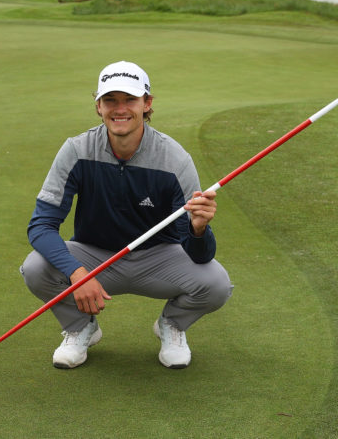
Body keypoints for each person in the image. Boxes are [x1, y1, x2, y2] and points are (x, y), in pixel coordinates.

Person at [20, 61, 232, 370]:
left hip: (158, 258)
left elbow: (200, 255)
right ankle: (81, 327)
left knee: (216, 284)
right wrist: (79, 273)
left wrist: (199, 231)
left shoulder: (175, 159)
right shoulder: (77, 151)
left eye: (130, 100)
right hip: (95, 256)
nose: (120, 109)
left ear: (147, 104)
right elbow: (41, 226)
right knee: (36, 267)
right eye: (110, 101)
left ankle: (172, 326)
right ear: (98, 106)